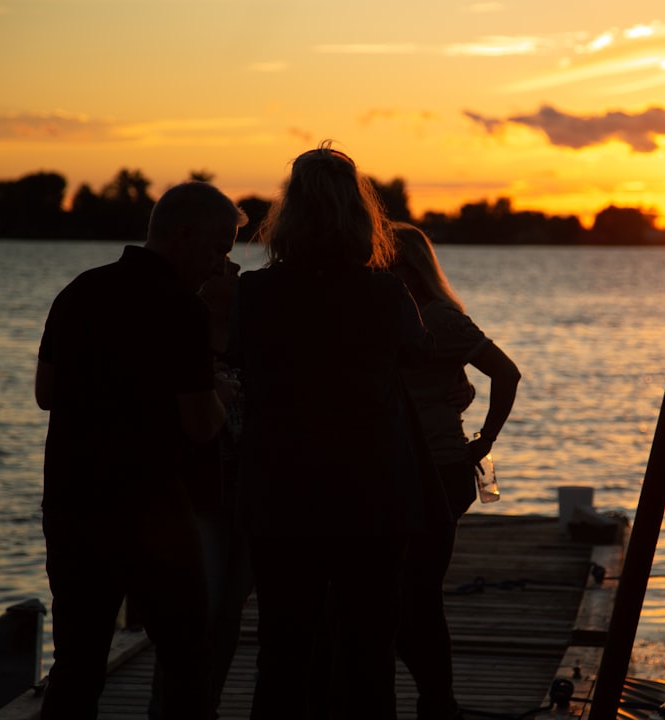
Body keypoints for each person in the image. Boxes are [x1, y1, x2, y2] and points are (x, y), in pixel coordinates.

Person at [227, 142, 445, 719]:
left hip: (280, 491)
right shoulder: (383, 292)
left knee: (283, 650)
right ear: (360, 214)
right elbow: (418, 352)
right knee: (369, 654)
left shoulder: (252, 294)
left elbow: (231, 358)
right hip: (374, 493)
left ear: (289, 212)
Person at [35, 181, 247, 720]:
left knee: (77, 665)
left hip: (72, 506)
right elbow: (200, 427)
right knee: (186, 658)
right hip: (152, 515)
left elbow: (46, 393)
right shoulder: (182, 309)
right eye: (218, 248)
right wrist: (221, 393)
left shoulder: (79, 290)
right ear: (183, 235)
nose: (222, 263)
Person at [390, 221, 521, 720]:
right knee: (408, 594)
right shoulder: (395, 313)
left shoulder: (438, 317)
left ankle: (437, 702)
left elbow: (506, 373)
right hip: (405, 468)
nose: (378, 270)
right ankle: (434, 700)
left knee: (416, 596)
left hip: (439, 469)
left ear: (411, 266)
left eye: (387, 262)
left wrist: (486, 439)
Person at [149, 258, 254, 720]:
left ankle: (205, 706)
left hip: (251, 490)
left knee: (230, 610)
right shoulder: (180, 334)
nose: (234, 270)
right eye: (227, 267)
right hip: (199, 493)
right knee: (196, 612)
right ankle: (168, 710)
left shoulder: (254, 339)